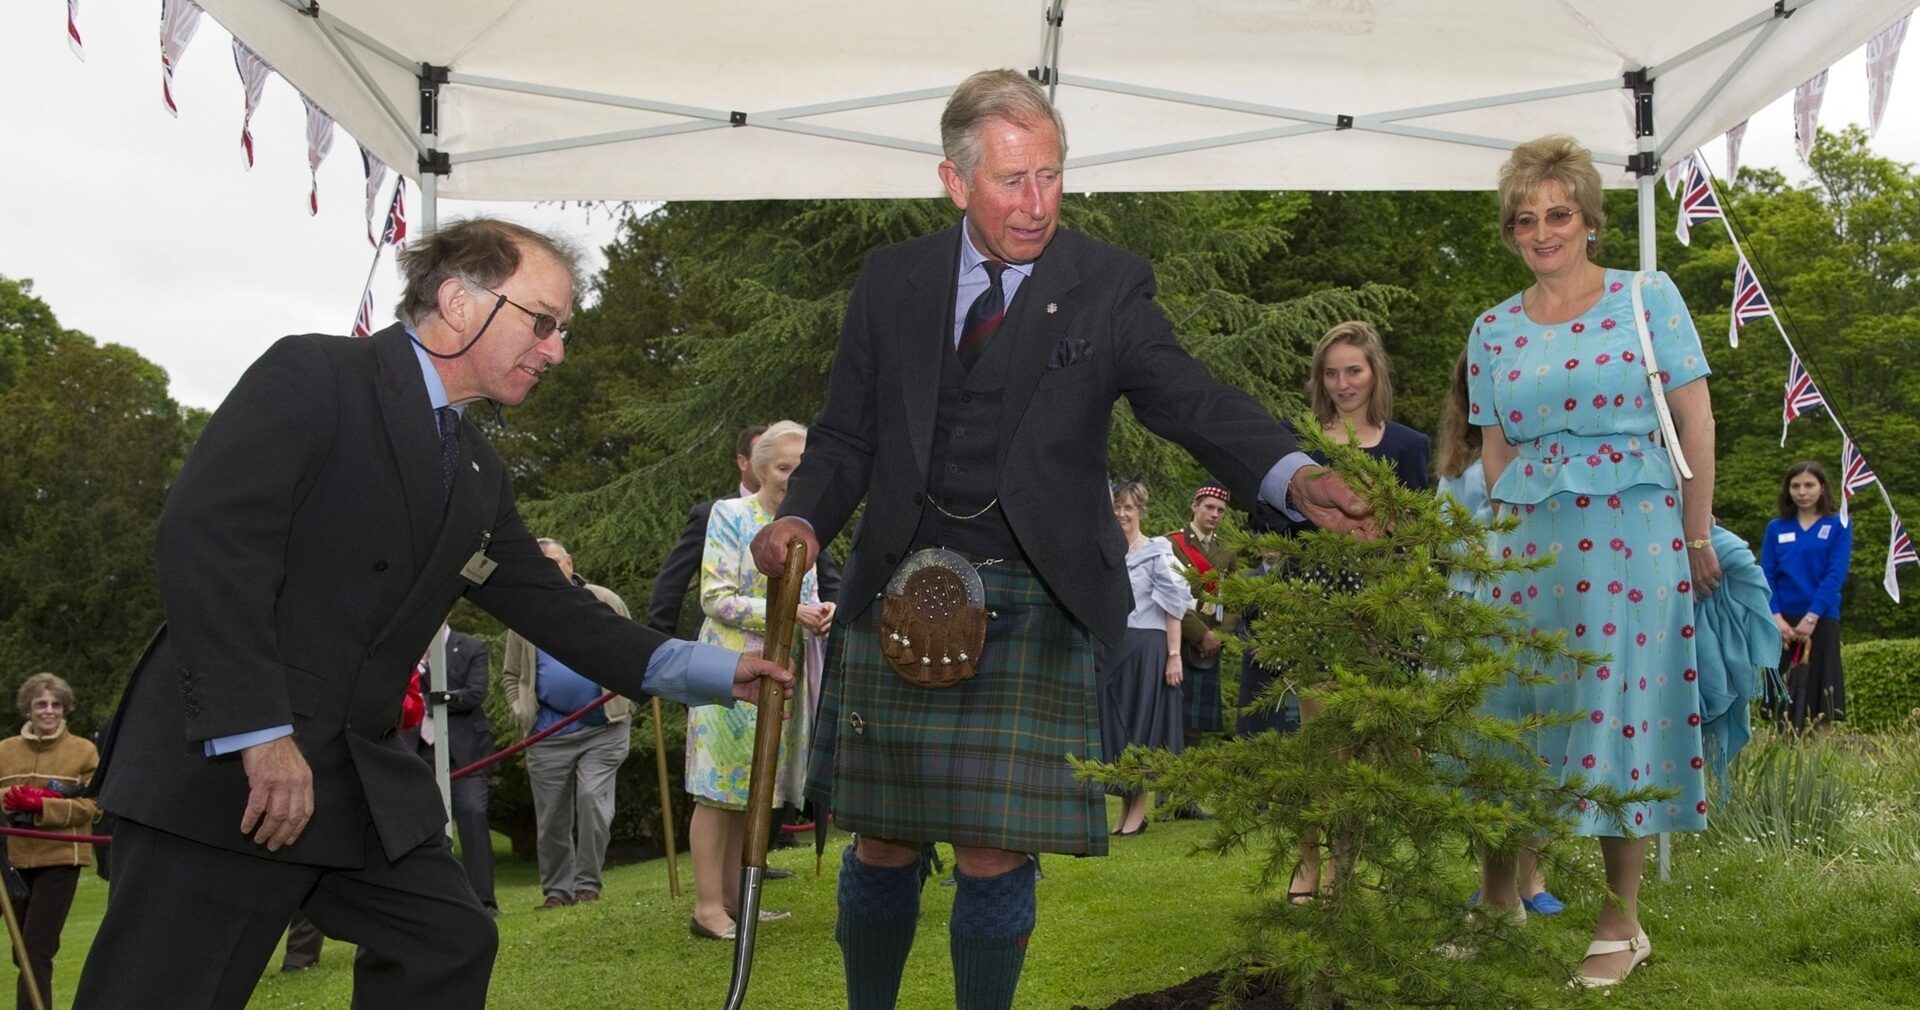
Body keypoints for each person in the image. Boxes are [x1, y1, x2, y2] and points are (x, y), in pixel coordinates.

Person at [748, 69, 1373, 1010]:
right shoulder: (894, 283)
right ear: (956, 182)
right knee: (882, 837)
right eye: (1012, 181)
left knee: (996, 848)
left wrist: (1293, 473)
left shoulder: (1106, 284)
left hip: (1035, 589)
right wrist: (802, 515)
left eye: (1051, 175)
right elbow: (845, 437)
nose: (1037, 203)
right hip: (899, 584)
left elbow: (1187, 395)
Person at [75, 217, 790, 1010]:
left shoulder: (478, 470)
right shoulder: (315, 375)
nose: (557, 350)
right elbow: (206, 541)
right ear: (458, 301)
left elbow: (559, 610)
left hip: (353, 777)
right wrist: (261, 736)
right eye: (544, 322)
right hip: (226, 770)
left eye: (563, 330)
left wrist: (719, 670)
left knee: (445, 941)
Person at [1465, 135, 1719, 988]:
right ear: (1509, 230)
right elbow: (1494, 451)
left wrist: (1693, 535)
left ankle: (1622, 918)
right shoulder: (1492, 328)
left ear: (1589, 220)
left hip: (1635, 538)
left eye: (1558, 214)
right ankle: (1498, 897)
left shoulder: (1648, 298)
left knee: (1622, 712)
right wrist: (1508, 537)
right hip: (1529, 545)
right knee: (1513, 707)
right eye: (1525, 218)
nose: (1542, 231)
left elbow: (1695, 424)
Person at [1251, 320, 1429, 903]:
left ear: (1374, 372)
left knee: (1368, 747)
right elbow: (1267, 519)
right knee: (1320, 741)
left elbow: (1418, 531)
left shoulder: (1407, 446)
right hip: (1314, 602)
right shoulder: (1296, 440)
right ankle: (1307, 862)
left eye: (1353, 370)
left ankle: (1345, 868)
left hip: (1379, 607)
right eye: (1331, 373)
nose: (1342, 383)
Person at [686, 420, 832, 939]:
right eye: (782, 466)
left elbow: (808, 595)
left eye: (800, 468)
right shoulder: (730, 515)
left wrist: (820, 611)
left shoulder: (806, 525)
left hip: (781, 672)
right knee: (716, 789)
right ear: (760, 466)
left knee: (751, 789)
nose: (791, 477)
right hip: (726, 671)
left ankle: (733, 901)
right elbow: (715, 597)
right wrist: (795, 613)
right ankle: (707, 908)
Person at [1435, 351, 1563, 917]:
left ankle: (1533, 878)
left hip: (1534, 609)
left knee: (1536, 746)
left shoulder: (1543, 448)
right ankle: (1496, 882)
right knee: (1487, 748)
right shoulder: (1457, 460)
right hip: (1473, 613)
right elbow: (1444, 538)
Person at [500, 539, 636, 910]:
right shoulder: (523, 614)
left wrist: (626, 696)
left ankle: (587, 885)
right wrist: (519, 708)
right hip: (546, 734)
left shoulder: (603, 601)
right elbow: (511, 675)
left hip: (603, 730)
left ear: (569, 563)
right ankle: (557, 892)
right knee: (551, 820)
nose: (547, 570)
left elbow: (633, 652)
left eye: (553, 562)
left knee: (593, 801)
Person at [1099, 481, 1195, 837]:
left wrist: (1174, 656)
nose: (1122, 514)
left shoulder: (1157, 551)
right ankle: (1126, 809)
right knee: (1118, 728)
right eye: (1116, 508)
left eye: (1128, 508)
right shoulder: (1109, 553)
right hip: (1114, 648)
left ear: (1140, 511)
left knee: (1139, 727)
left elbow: (1175, 607)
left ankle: (1137, 813)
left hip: (1147, 647)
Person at [0, 673, 99, 1010]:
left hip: (60, 860)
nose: (49, 710)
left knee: (36, 950)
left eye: (56, 704)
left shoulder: (83, 751)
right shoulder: (5, 750)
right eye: (41, 704)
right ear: (28, 709)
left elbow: (93, 806)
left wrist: (43, 805)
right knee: (21, 951)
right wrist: (12, 798)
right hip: (13, 861)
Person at [1760, 461, 1853, 729]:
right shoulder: (1776, 528)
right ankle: (1781, 751)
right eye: (1795, 486)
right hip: (1782, 622)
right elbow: (1767, 574)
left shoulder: (1838, 526)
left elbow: (1835, 575)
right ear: (1787, 490)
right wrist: (1776, 618)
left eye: (1809, 485)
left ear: (1822, 488)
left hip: (1821, 617)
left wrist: (1811, 618)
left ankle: (1817, 755)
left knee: (1821, 696)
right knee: (1781, 699)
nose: (1802, 491)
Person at [412, 627, 498, 913]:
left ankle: (483, 901)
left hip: (465, 753)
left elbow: (474, 694)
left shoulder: (472, 647)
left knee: (473, 815)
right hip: (417, 750)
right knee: (422, 828)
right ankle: (433, 903)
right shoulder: (408, 648)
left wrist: (433, 696)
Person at [1167, 484, 1238, 746]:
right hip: (1177, 641)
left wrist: (1217, 635)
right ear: (1194, 505)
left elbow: (1235, 600)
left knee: (1195, 727)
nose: (1215, 514)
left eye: (1220, 510)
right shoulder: (1171, 544)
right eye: (1209, 507)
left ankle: (1186, 784)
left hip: (1208, 649)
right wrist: (1201, 634)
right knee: (1171, 716)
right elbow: (1167, 597)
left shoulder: (1227, 551)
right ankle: (1162, 783)